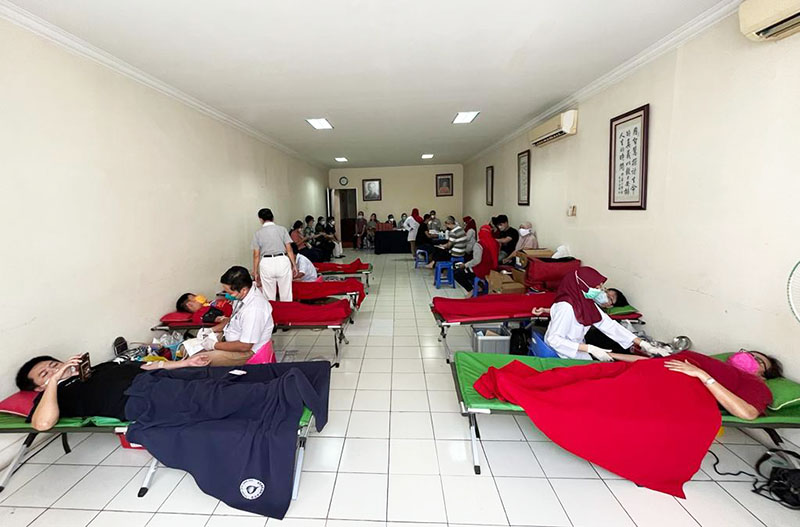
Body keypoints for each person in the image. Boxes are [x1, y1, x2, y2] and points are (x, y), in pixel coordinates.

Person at [606, 349, 782, 420]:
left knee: (607, 395)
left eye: (759, 360)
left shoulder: (756, 384)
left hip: (671, 386)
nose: (750, 357)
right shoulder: (719, 366)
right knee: (602, 377)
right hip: (651, 372)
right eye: (749, 353)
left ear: (764, 376)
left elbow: (748, 413)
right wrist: (609, 355)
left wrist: (702, 375)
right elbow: (655, 363)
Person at [536, 267, 667, 361]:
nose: (600, 291)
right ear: (582, 286)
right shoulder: (566, 306)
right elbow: (554, 340)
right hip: (561, 353)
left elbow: (609, 325)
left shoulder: (586, 303)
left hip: (577, 350)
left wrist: (644, 344)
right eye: (597, 287)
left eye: (600, 287)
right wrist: (590, 349)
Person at [251, 208, 296, 302]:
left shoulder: (257, 233)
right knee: (286, 293)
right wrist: (294, 265)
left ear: (261, 219)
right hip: (282, 261)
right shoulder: (282, 230)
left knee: (268, 295)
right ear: (273, 218)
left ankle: (271, 310)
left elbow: (256, 255)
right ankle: (287, 310)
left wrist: (255, 272)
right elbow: (289, 249)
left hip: (266, 263)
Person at [454, 225, 499, 296]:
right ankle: (480, 285)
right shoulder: (495, 243)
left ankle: (471, 290)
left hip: (482, 270)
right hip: (493, 269)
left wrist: (465, 265)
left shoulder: (479, 245)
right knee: (467, 270)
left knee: (457, 273)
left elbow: (476, 261)